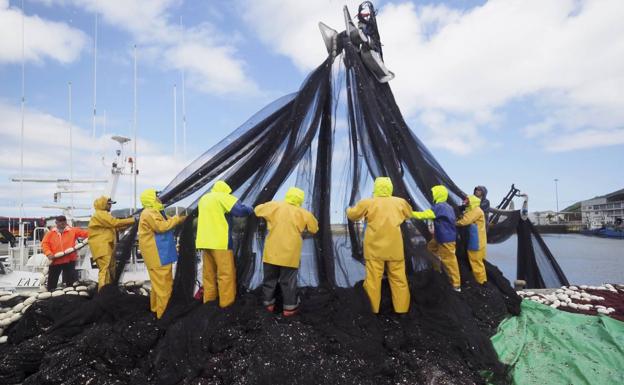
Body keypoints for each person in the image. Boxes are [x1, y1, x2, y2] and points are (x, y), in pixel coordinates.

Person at [346, 177, 412, 314]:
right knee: (399, 279)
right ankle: (402, 311)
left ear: (375, 187)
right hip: (395, 249)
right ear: (390, 187)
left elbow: (353, 215)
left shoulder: (368, 203)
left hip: (374, 249)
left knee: (373, 281)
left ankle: (372, 311)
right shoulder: (400, 202)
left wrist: (348, 209)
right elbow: (409, 213)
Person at [254, 187, 319, 316]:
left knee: (269, 281)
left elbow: (257, 210)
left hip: (271, 253)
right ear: (300, 199)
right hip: (290, 256)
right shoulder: (303, 213)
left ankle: (268, 307)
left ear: (287, 195)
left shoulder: (274, 206)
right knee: (288, 283)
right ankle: (289, 310)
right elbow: (314, 228)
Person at [195, 180, 253, 308]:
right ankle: (226, 306)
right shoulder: (223, 197)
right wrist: (251, 209)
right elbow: (240, 211)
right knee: (225, 275)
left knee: (208, 276)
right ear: (225, 190)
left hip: (205, 242)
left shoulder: (204, 199)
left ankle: (208, 304)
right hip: (220, 243)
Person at [138, 189, 185, 319]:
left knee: (157, 285)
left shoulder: (154, 212)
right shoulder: (149, 213)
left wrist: (177, 219)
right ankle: (164, 316)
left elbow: (165, 221)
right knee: (164, 287)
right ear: (151, 198)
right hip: (159, 255)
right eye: (156, 196)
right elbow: (162, 227)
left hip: (159, 255)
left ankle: (155, 310)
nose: (159, 198)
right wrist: (178, 219)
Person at [412, 185, 460, 291]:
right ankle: (437, 268)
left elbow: (427, 214)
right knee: (430, 248)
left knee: (449, 260)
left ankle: (456, 285)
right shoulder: (447, 206)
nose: (432, 195)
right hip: (441, 237)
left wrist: (410, 214)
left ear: (438, 194)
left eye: (434, 193)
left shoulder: (440, 206)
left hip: (446, 239)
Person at [88, 196, 135, 290]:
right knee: (105, 270)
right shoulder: (100, 214)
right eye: (109, 204)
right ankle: (102, 292)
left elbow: (115, 228)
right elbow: (114, 223)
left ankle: (108, 289)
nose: (110, 206)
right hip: (102, 246)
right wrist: (133, 220)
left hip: (106, 246)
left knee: (110, 270)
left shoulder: (103, 215)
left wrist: (128, 223)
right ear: (104, 204)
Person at [41, 215, 89, 291]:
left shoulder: (73, 230)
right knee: (52, 283)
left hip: (69, 261)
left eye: (64, 221)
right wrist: (48, 253)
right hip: (55, 261)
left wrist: (98, 232)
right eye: (60, 221)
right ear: (56, 222)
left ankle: (70, 298)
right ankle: (51, 297)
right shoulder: (50, 233)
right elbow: (44, 244)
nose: (63, 223)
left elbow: (86, 234)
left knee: (70, 283)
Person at [456, 195, 487, 284]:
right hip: (479, 240)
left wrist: (455, 223)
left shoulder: (476, 210)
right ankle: (481, 281)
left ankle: (481, 282)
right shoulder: (474, 210)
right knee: (478, 262)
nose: (465, 201)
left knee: (476, 262)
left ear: (472, 201)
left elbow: (465, 221)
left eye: (467, 200)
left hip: (476, 241)